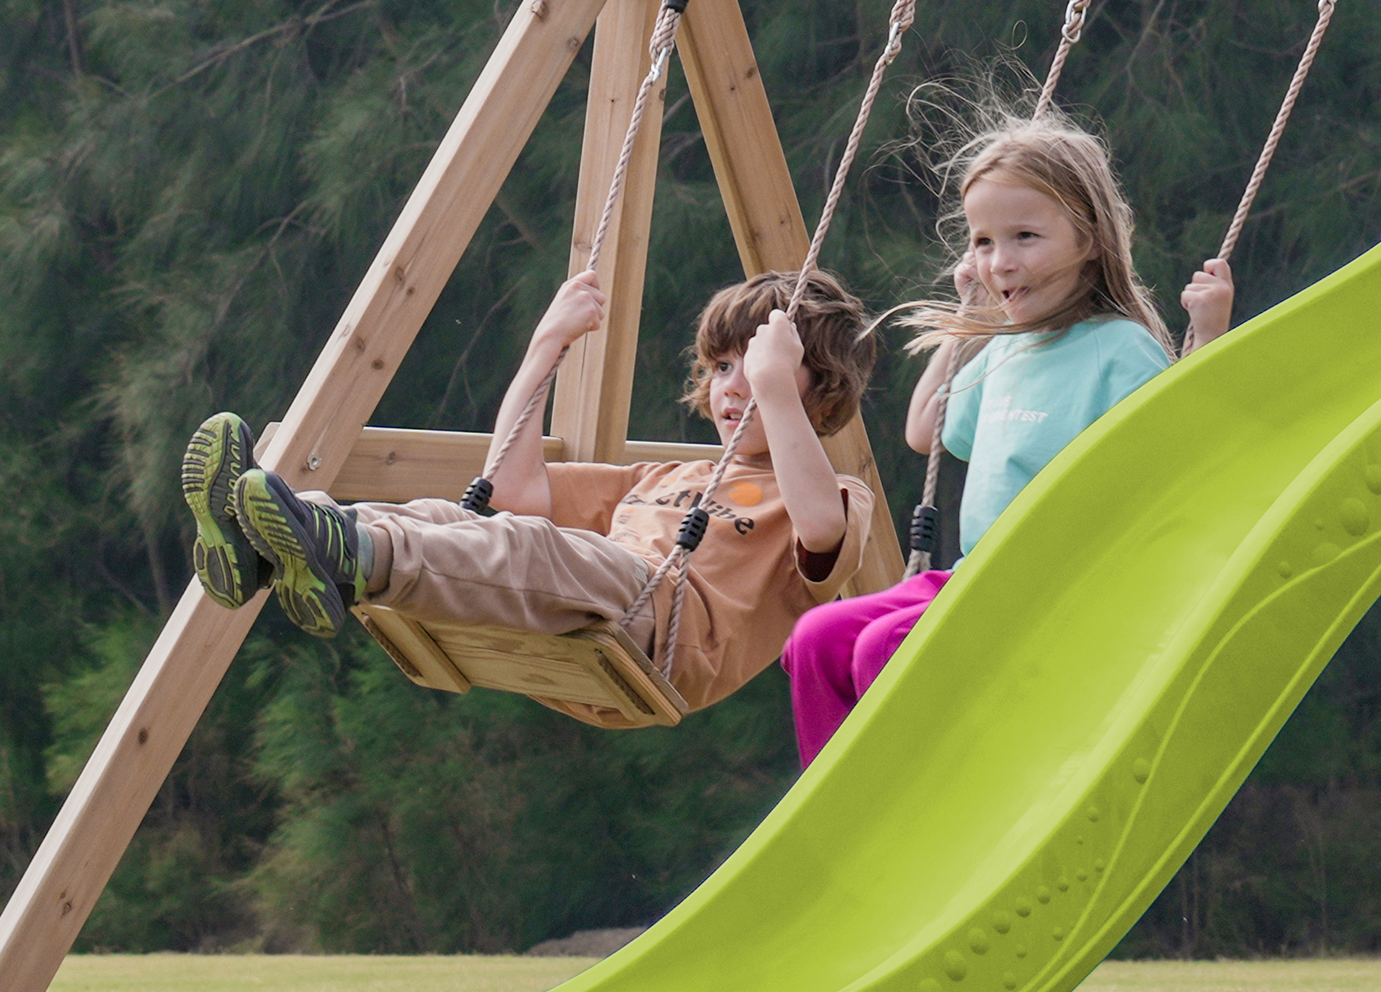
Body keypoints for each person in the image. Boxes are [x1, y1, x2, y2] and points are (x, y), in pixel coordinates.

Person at [181, 264, 878, 718]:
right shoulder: (667, 478)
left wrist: (775, 387)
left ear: (819, 390)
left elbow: (822, 531)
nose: (735, 385)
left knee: (530, 548)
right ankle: (273, 547)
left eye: (754, 369)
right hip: (600, 597)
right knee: (449, 518)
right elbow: (513, 491)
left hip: (665, 634)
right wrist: (545, 348)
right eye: (724, 366)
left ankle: (343, 552)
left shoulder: (828, 493)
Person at [780, 109, 1232, 763]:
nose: (1001, 261)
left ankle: (910, 800)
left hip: (1054, 596)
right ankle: (831, 803)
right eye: (984, 242)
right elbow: (925, 428)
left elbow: (1182, 455)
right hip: (977, 578)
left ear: (1089, 239)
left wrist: (1210, 336)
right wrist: (974, 318)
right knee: (818, 636)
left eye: (1024, 236)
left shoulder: (1117, 350)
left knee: (886, 650)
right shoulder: (1006, 348)